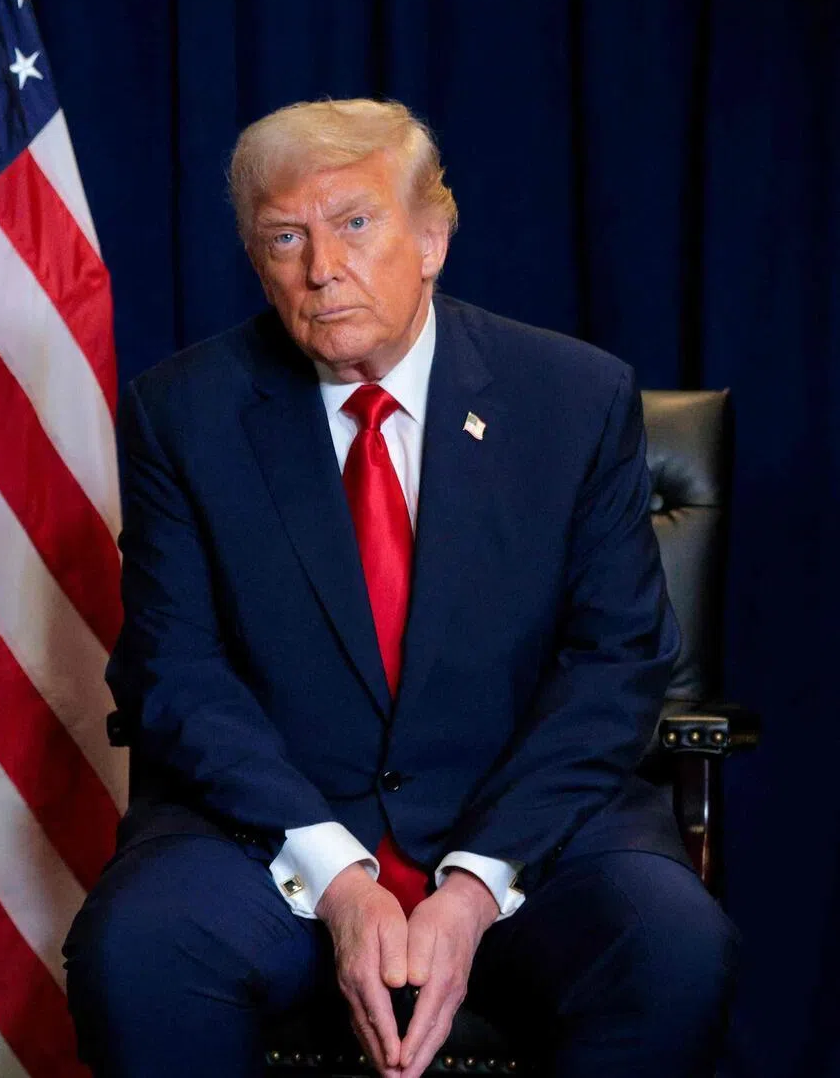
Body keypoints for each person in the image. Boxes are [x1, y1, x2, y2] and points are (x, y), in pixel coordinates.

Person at [64, 98, 738, 1078]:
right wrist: (338, 878)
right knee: (139, 953)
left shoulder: (573, 399)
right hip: (272, 835)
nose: (321, 267)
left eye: (354, 223)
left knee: (671, 948)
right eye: (284, 237)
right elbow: (175, 671)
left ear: (432, 238)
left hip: (533, 836)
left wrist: (473, 885)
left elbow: (615, 664)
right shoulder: (184, 413)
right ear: (257, 260)